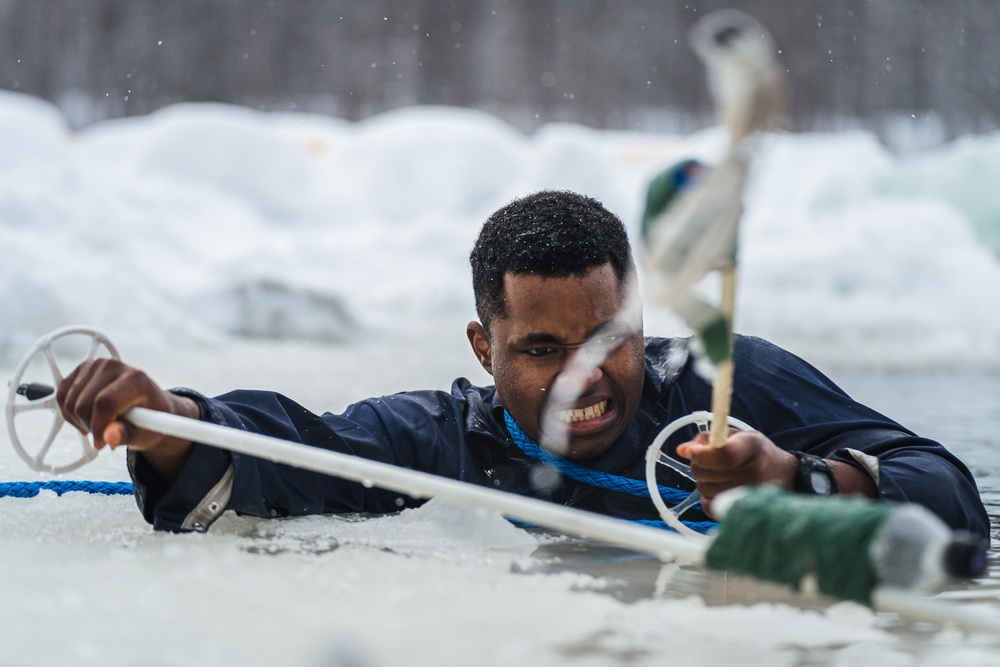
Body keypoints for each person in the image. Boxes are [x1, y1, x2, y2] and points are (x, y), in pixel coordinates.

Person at [56, 190, 989, 537]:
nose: (582, 377)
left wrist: (803, 480)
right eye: (542, 350)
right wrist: (169, 419)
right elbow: (296, 450)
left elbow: (950, 493)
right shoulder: (440, 441)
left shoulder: (728, 381)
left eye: (606, 342)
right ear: (483, 345)